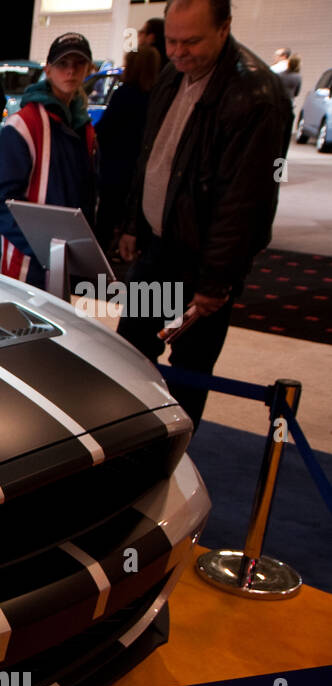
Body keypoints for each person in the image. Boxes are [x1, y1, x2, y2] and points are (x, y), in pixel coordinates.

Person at [116, 0, 292, 429]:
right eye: (172, 40)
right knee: (129, 352)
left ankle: (173, 455)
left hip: (201, 267)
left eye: (190, 41)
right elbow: (151, 157)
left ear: (224, 28)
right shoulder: (171, 74)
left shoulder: (257, 97)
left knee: (188, 374)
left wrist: (216, 281)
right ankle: (129, 440)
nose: (178, 51)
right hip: (158, 251)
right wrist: (134, 224)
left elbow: (245, 204)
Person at [0, 32, 98, 288]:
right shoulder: (24, 125)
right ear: (48, 69)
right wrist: (44, 248)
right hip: (29, 266)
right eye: (62, 64)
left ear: (89, 69)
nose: (70, 71)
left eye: (78, 64)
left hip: (70, 262)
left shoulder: (84, 127)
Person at [94, 46, 162, 250]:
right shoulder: (156, 98)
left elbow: (105, 128)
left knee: (105, 218)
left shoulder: (124, 94)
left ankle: (101, 259)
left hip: (116, 166)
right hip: (141, 169)